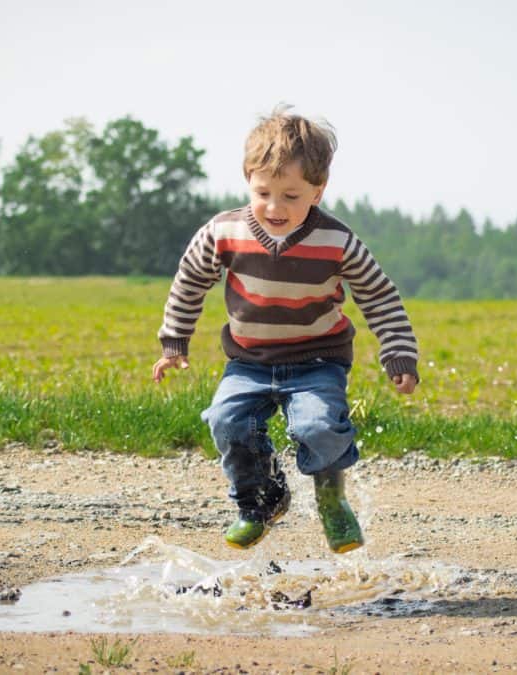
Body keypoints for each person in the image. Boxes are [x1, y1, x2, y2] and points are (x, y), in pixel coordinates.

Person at [152, 105, 419, 553]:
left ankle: (332, 498)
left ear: (318, 190)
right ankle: (261, 501)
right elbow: (190, 280)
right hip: (249, 361)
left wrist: (398, 354)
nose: (275, 207)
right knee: (226, 421)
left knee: (318, 428)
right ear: (248, 181)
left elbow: (379, 296)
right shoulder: (224, 231)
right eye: (264, 192)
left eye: (291, 196)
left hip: (318, 360)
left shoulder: (338, 242)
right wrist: (174, 340)